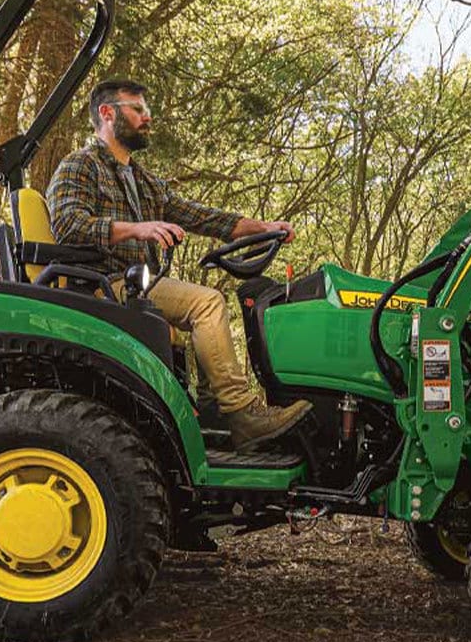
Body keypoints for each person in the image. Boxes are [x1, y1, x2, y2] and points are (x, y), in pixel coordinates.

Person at [47, 79, 311, 453]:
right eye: (137, 109)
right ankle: (241, 412)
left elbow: (206, 219)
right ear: (107, 114)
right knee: (205, 303)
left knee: (208, 304)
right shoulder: (80, 165)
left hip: (139, 286)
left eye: (146, 109)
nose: (147, 117)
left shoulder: (142, 180)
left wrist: (265, 228)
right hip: (103, 286)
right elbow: (69, 225)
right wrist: (137, 229)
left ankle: (212, 410)